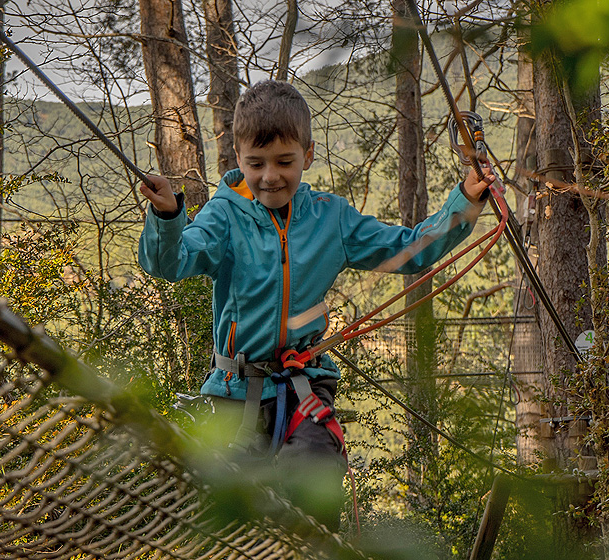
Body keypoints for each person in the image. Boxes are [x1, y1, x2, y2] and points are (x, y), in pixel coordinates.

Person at [137, 80, 495, 530]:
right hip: (233, 391)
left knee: (315, 481)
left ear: (308, 154)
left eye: (285, 162)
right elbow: (170, 262)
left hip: (302, 386)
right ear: (238, 158)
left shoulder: (332, 218)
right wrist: (168, 216)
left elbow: (409, 249)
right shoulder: (224, 216)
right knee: (222, 512)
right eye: (256, 163)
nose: (271, 176)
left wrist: (464, 201)